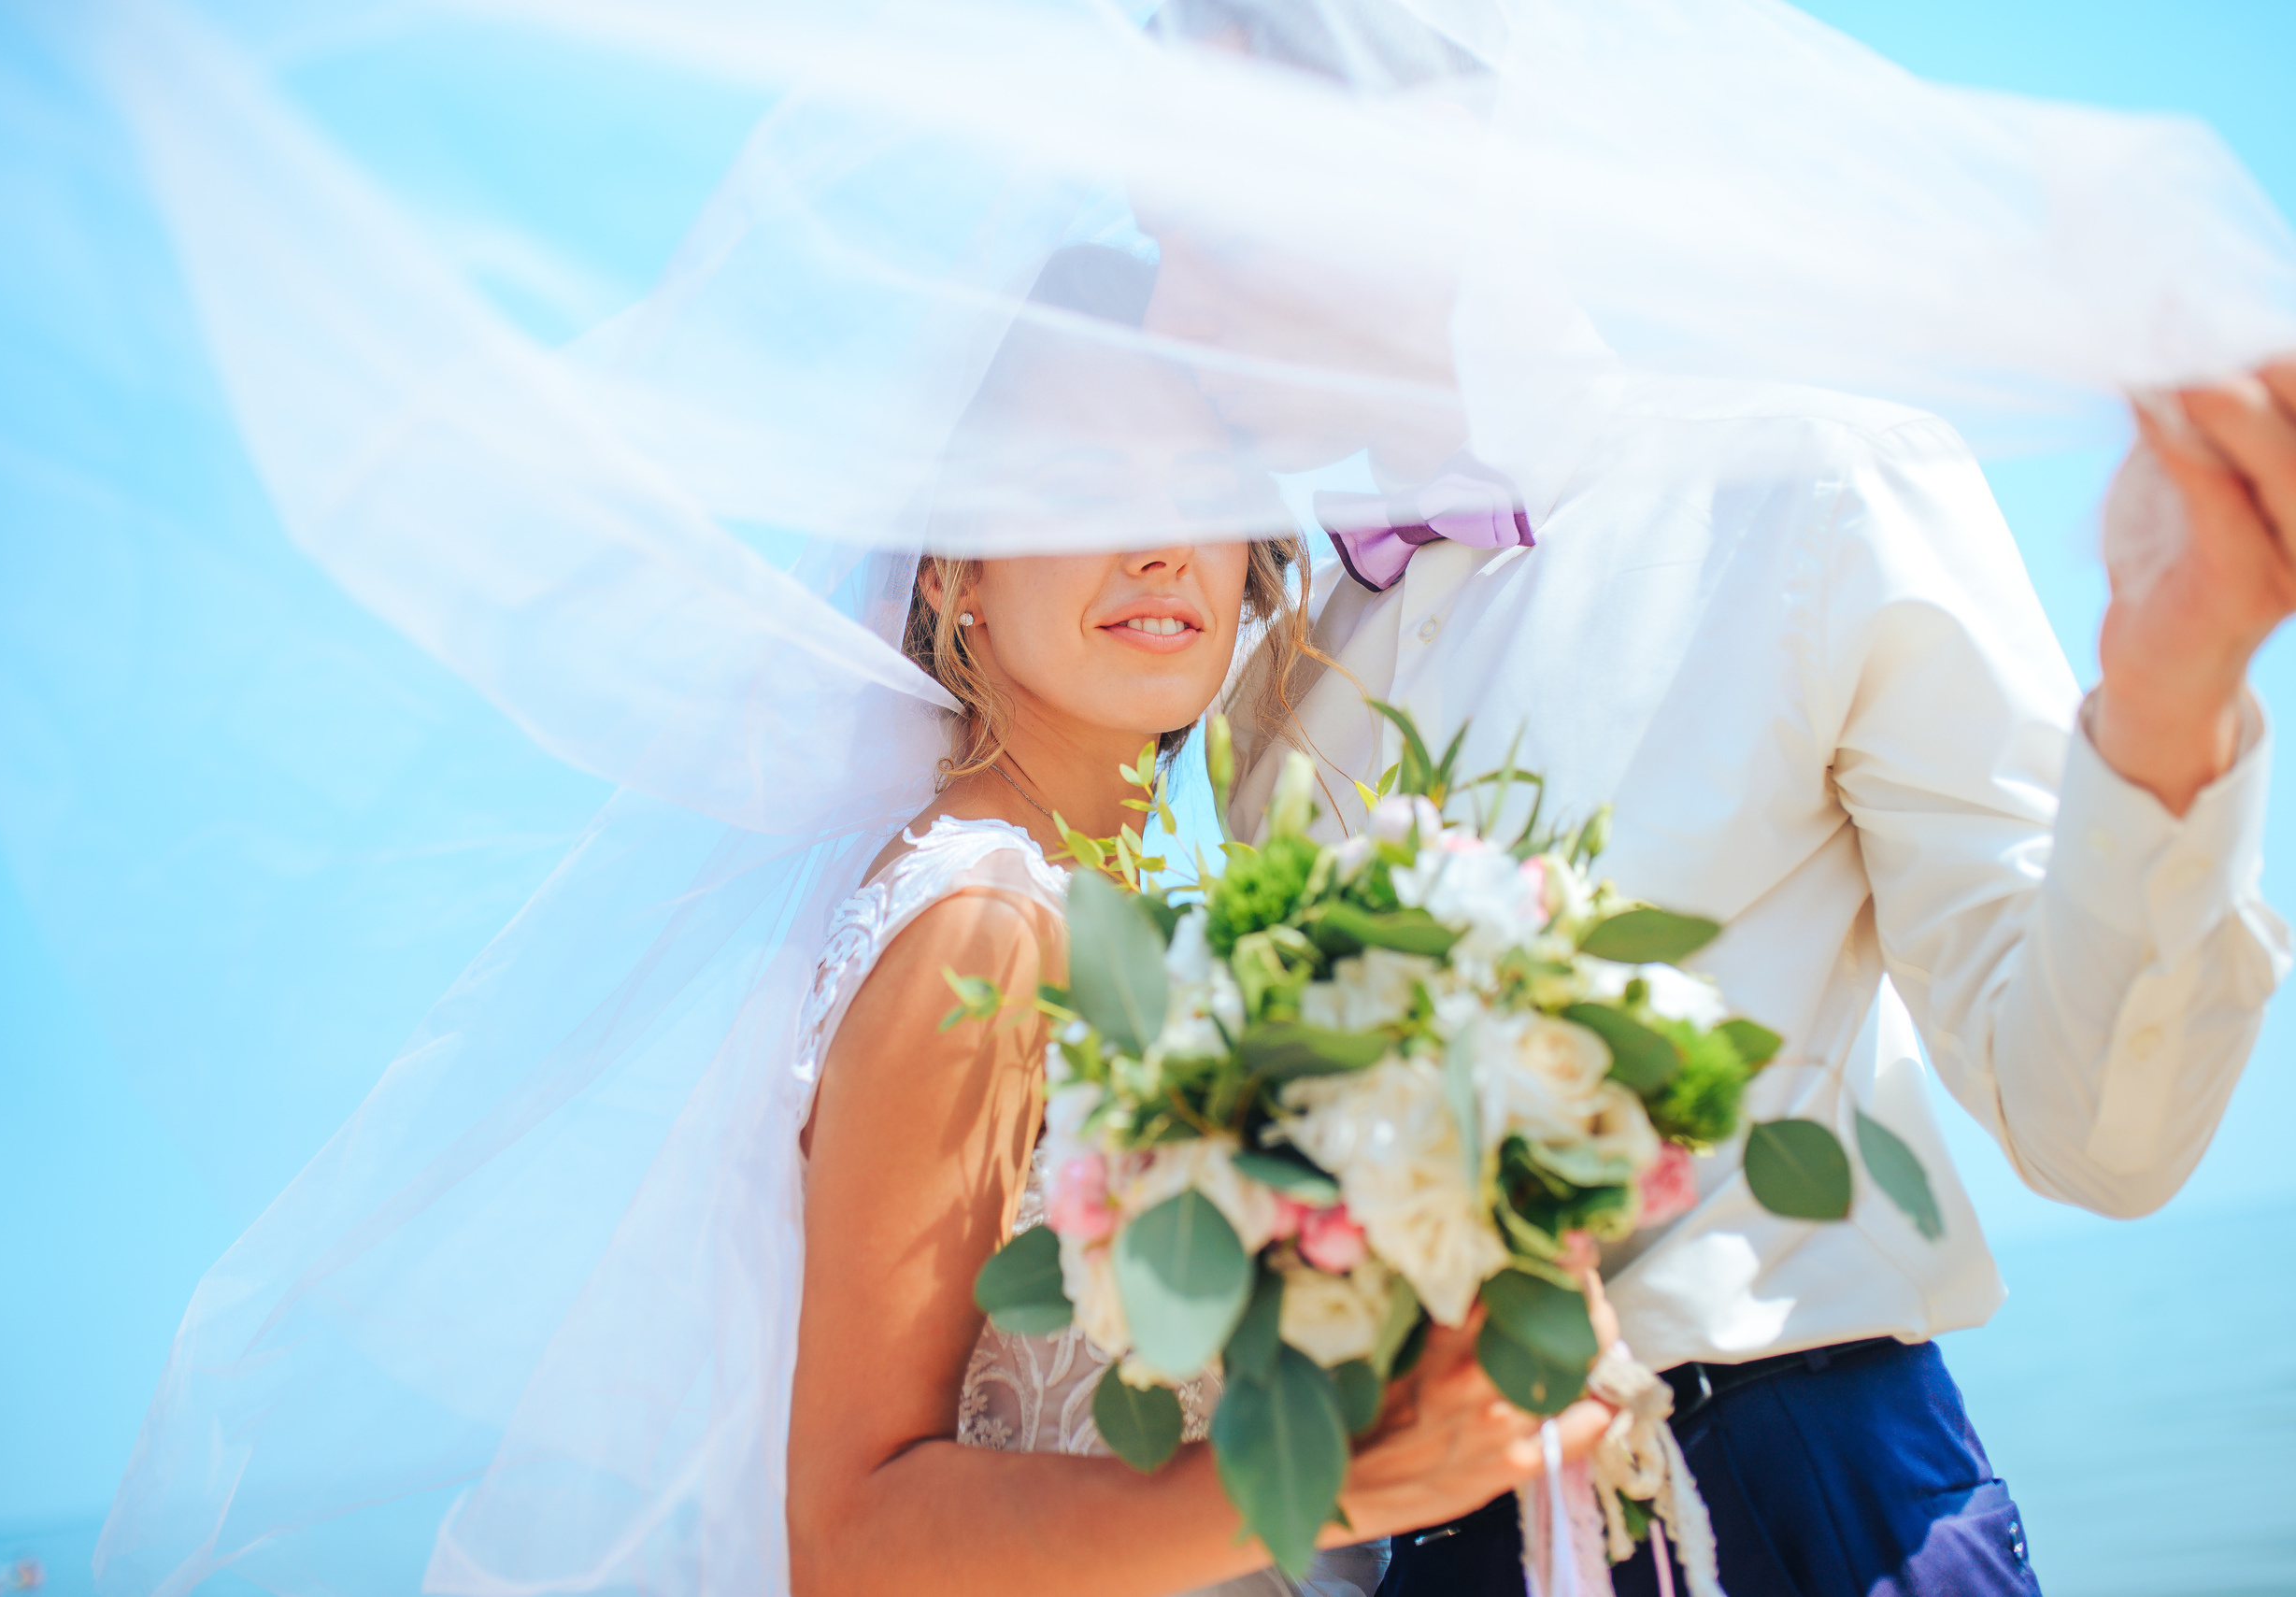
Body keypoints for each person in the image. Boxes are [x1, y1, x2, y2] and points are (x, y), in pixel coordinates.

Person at [1136, 55, 2296, 1597]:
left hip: (1816, 1514)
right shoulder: (1275, 685)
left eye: (1207, 226)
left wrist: (2167, 703)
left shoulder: (1818, 496)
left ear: (1426, 151)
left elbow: (2100, 1131)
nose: (1162, 318)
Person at [782, 249, 1615, 1597]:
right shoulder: (978, 928)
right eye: (1081, 486)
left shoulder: (1148, 920)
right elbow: (851, 1538)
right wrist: (1372, 1476)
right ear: (953, 572)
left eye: (1201, 488)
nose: (1161, 544)